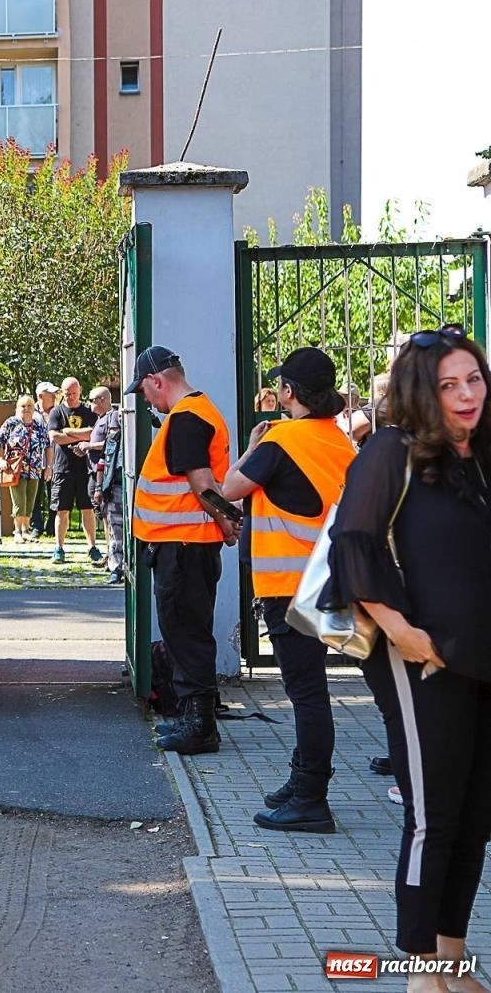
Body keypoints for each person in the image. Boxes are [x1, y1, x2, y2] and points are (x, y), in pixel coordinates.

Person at [323, 325, 491, 987]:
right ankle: (422, 970)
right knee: (433, 817)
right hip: (418, 657)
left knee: (477, 819)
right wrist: (403, 631)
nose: (466, 394)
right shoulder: (391, 451)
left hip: (480, 656)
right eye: (449, 384)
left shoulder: (480, 455)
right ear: (422, 390)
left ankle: (454, 959)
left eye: (474, 378)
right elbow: (352, 542)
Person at [219, 346, 354, 834]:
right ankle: (302, 779)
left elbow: (230, 487)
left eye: (280, 385)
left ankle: (311, 796)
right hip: (327, 580)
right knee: (311, 686)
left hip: (287, 587)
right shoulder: (339, 440)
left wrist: (254, 444)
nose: (276, 391)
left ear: (290, 392)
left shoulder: (281, 441)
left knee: (307, 693)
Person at [127, 345, 239, 756]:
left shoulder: (187, 418)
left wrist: (227, 522)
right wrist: (225, 524)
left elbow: (203, 483)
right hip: (189, 545)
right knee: (187, 631)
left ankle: (199, 725)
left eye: (142, 390)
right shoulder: (197, 411)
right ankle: (195, 717)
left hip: (183, 547)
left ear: (157, 380)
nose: (144, 399)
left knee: (185, 633)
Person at [46, 376, 100, 565]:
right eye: (67, 393)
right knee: (62, 510)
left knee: (88, 508)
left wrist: (68, 431)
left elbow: (93, 433)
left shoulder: (88, 411)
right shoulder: (56, 412)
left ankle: (92, 547)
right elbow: (56, 437)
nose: (70, 397)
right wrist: (80, 436)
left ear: (80, 392)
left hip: (85, 468)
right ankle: (59, 548)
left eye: (73, 393)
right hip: (63, 468)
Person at [83, 386, 126, 585]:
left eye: (92, 399)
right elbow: (104, 458)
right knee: (111, 523)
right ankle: (115, 564)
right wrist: (100, 486)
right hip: (109, 479)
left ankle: (120, 564)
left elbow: (109, 449)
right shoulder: (105, 420)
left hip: (122, 479)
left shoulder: (114, 417)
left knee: (118, 525)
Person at [0, 395, 49, 543]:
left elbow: (48, 446)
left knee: (30, 499)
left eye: (29, 406)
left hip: (35, 468)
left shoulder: (38, 425)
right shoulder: (11, 423)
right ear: (18, 408)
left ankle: (26, 529)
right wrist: (1, 460)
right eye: (23, 406)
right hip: (16, 468)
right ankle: (17, 530)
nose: (26, 409)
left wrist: (48, 466)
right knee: (19, 500)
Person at [30, 381, 58, 537]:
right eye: (50, 394)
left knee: (55, 494)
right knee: (35, 496)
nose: (54, 396)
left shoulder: (58, 411)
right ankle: (36, 526)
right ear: (40, 396)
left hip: (57, 459)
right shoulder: (30, 411)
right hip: (35, 461)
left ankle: (52, 526)